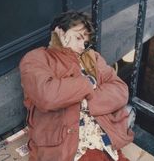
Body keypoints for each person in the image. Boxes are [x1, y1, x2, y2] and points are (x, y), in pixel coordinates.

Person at [19, 10, 136, 161]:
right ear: (59, 33)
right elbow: (47, 96)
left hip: (104, 139)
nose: (82, 45)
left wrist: (84, 102)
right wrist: (88, 82)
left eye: (85, 42)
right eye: (78, 38)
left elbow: (120, 90)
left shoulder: (92, 58)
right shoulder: (36, 58)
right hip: (66, 145)